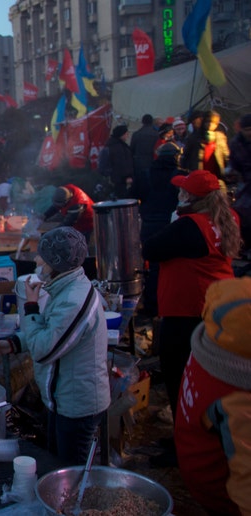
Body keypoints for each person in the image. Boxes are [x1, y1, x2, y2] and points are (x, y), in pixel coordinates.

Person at [143, 169, 240, 466]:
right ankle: (191, 437)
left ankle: (184, 450)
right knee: (201, 380)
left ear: (191, 198)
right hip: (216, 309)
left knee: (179, 380)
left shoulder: (189, 225)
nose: (178, 193)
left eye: (183, 191)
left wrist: (176, 217)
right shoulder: (227, 217)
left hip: (188, 314)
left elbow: (150, 248)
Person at [0, 227, 109, 463]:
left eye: (41, 256)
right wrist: (15, 343)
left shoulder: (73, 300)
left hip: (78, 406)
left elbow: (44, 350)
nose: (36, 260)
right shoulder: (66, 288)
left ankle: (73, 501)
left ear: (55, 263)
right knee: (58, 465)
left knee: (70, 473)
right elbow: (54, 332)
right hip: (62, 399)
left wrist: (31, 307)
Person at [175, 277, 251, 515]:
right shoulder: (235, 400)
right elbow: (247, 485)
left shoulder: (212, 342)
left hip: (193, 458)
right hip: (222, 493)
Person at [133, 144, 186, 317]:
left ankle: (151, 306)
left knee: (153, 267)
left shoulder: (144, 174)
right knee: (174, 266)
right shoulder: (181, 175)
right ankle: (171, 305)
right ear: (176, 156)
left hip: (149, 225)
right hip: (174, 225)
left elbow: (132, 195)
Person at [228, 113, 251, 254]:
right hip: (245, 182)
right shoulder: (236, 143)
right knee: (242, 212)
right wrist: (231, 171)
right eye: (247, 129)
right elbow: (233, 163)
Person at [183, 110, 230, 179]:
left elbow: (226, 155)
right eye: (208, 122)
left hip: (217, 175)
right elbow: (186, 156)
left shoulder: (220, 137)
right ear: (203, 122)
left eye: (214, 123)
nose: (210, 125)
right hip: (199, 175)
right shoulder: (194, 138)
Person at [105, 124, 134, 199]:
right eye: (126, 133)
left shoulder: (114, 145)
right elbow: (122, 164)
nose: (127, 135)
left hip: (116, 178)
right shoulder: (119, 147)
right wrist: (127, 176)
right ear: (121, 134)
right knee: (122, 198)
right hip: (121, 179)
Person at [131, 113, 157, 177]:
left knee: (137, 183)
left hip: (137, 162)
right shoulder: (156, 134)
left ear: (142, 121)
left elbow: (132, 149)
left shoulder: (136, 134)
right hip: (151, 162)